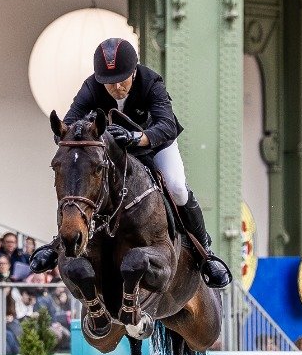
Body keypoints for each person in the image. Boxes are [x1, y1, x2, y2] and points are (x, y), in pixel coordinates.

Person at [30, 37, 231, 288]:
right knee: (81, 184)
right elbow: (70, 121)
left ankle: (205, 253)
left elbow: (166, 125)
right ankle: (58, 243)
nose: (116, 87)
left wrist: (138, 137)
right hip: (114, 152)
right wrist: (70, 134)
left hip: (154, 145)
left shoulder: (151, 82)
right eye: (109, 83)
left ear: (133, 71)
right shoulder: (91, 87)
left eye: (121, 80)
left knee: (177, 187)